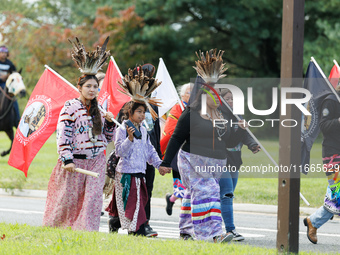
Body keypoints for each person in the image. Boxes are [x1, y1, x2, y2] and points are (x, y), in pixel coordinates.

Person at [160, 49, 246, 242]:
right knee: (210, 193)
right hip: (192, 161)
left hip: (217, 162)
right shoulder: (190, 114)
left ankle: (186, 231)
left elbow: (229, 142)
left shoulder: (221, 117)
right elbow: (175, 138)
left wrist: (240, 129)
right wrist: (166, 162)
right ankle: (213, 234)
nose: (218, 99)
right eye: (213, 95)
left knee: (194, 194)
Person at [43, 37, 115, 231]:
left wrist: (109, 123)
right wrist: (67, 159)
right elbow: (63, 135)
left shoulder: (100, 109)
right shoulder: (70, 107)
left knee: (92, 200)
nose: (92, 90)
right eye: (88, 86)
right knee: (68, 200)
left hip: (97, 160)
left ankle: (88, 233)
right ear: (80, 87)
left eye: (95, 87)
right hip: (76, 161)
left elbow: (106, 138)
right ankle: (54, 230)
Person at [106, 64, 171, 236]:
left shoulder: (152, 107)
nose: (142, 115)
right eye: (139, 112)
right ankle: (137, 226)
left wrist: (159, 162)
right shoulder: (126, 111)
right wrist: (129, 138)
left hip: (144, 161)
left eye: (143, 112)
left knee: (144, 193)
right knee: (131, 198)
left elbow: (152, 138)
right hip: (127, 167)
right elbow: (120, 148)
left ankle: (136, 223)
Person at [219, 89, 260, 241]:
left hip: (235, 160)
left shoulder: (238, 115)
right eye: (228, 98)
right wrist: (240, 128)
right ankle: (230, 230)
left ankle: (207, 222)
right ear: (221, 100)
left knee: (225, 195)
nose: (231, 101)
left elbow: (245, 134)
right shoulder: (218, 115)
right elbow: (228, 139)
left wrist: (253, 144)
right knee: (227, 194)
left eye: (233, 99)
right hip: (221, 160)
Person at [304, 85, 340, 244]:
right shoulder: (331, 100)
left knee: (336, 197)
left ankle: (313, 221)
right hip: (333, 155)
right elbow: (324, 125)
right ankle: (313, 221)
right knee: (337, 196)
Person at [161, 83, 191, 215]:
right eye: (190, 92)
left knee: (188, 186)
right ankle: (186, 216)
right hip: (177, 153)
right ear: (182, 95)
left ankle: (172, 199)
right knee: (181, 185)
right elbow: (170, 131)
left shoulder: (199, 108)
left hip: (193, 151)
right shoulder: (177, 109)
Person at [0, 45, 20, 125]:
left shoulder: (9, 63)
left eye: (5, 53)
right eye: (2, 52)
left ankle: (17, 119)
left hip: (7, 85)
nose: (3, 54)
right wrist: (2, 78)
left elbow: (14, 74)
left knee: (13, 99)